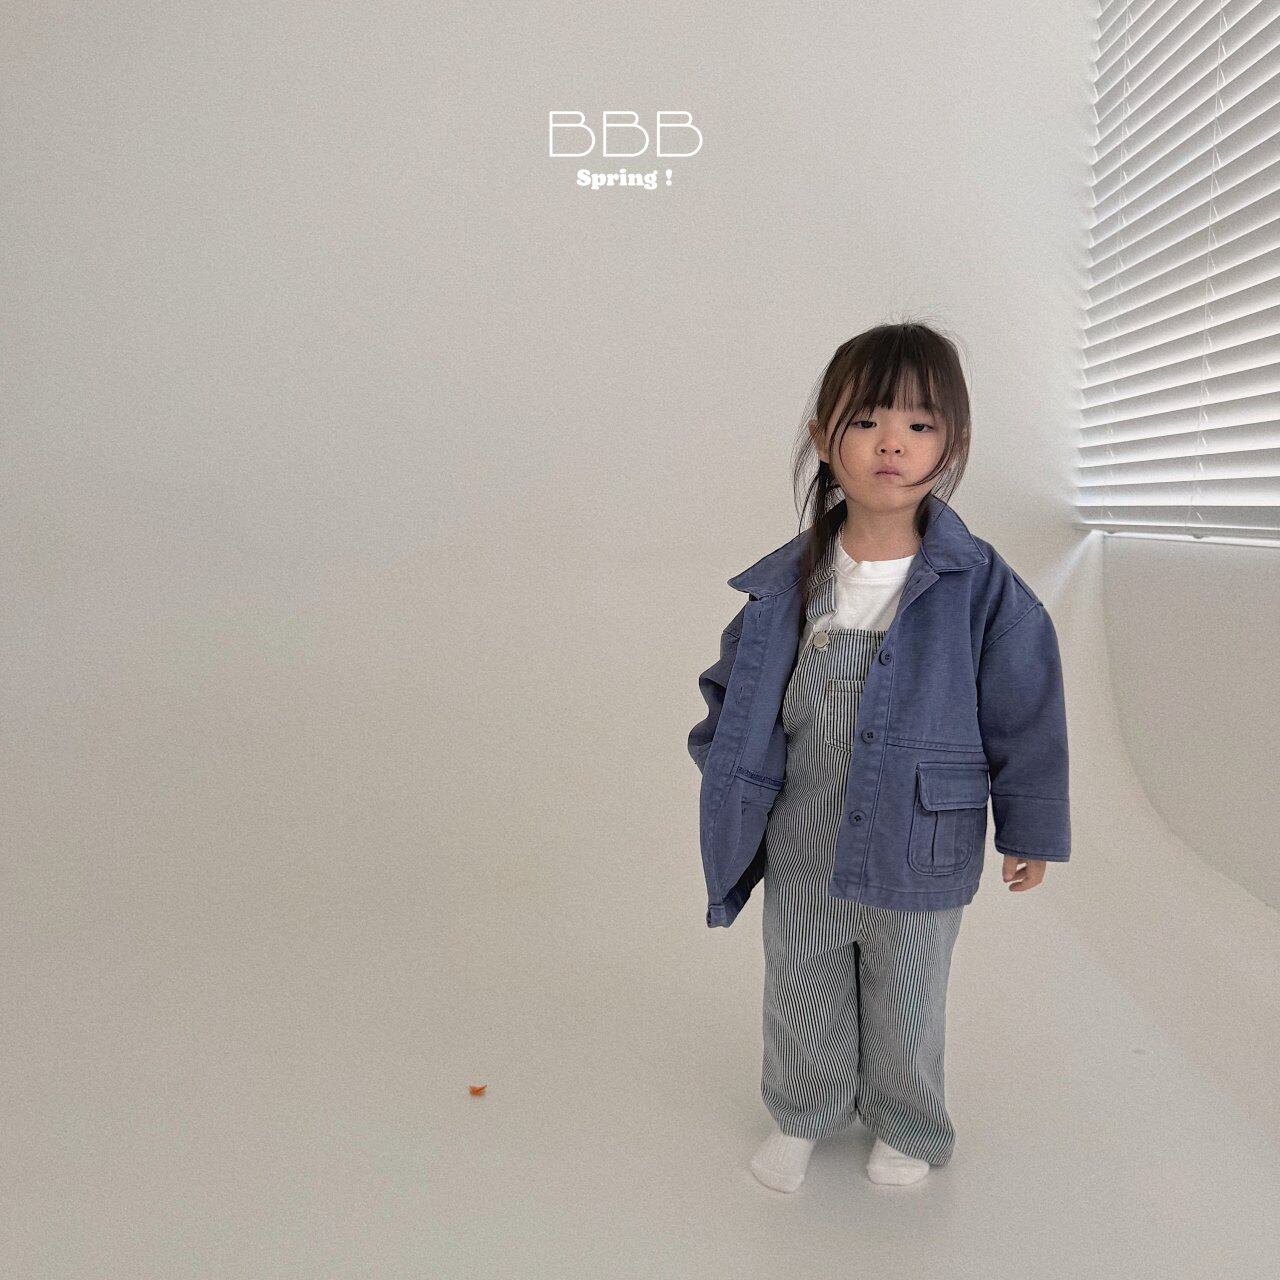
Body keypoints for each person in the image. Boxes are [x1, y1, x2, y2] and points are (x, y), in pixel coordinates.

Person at [686, 322, 1071, 1193]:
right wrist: (731, 778)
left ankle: (907, 1123)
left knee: (908, 991)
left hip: (920, 837)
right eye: (865, 421)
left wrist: (1029, 829)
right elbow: (729, 692)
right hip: (803, 833)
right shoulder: (784, 584)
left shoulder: (981, 587)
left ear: (952, 445)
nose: (891, 443)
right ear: (824, 440)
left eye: (920, 424)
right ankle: (802, 1112)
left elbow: (1027, 713)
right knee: (801, 980)